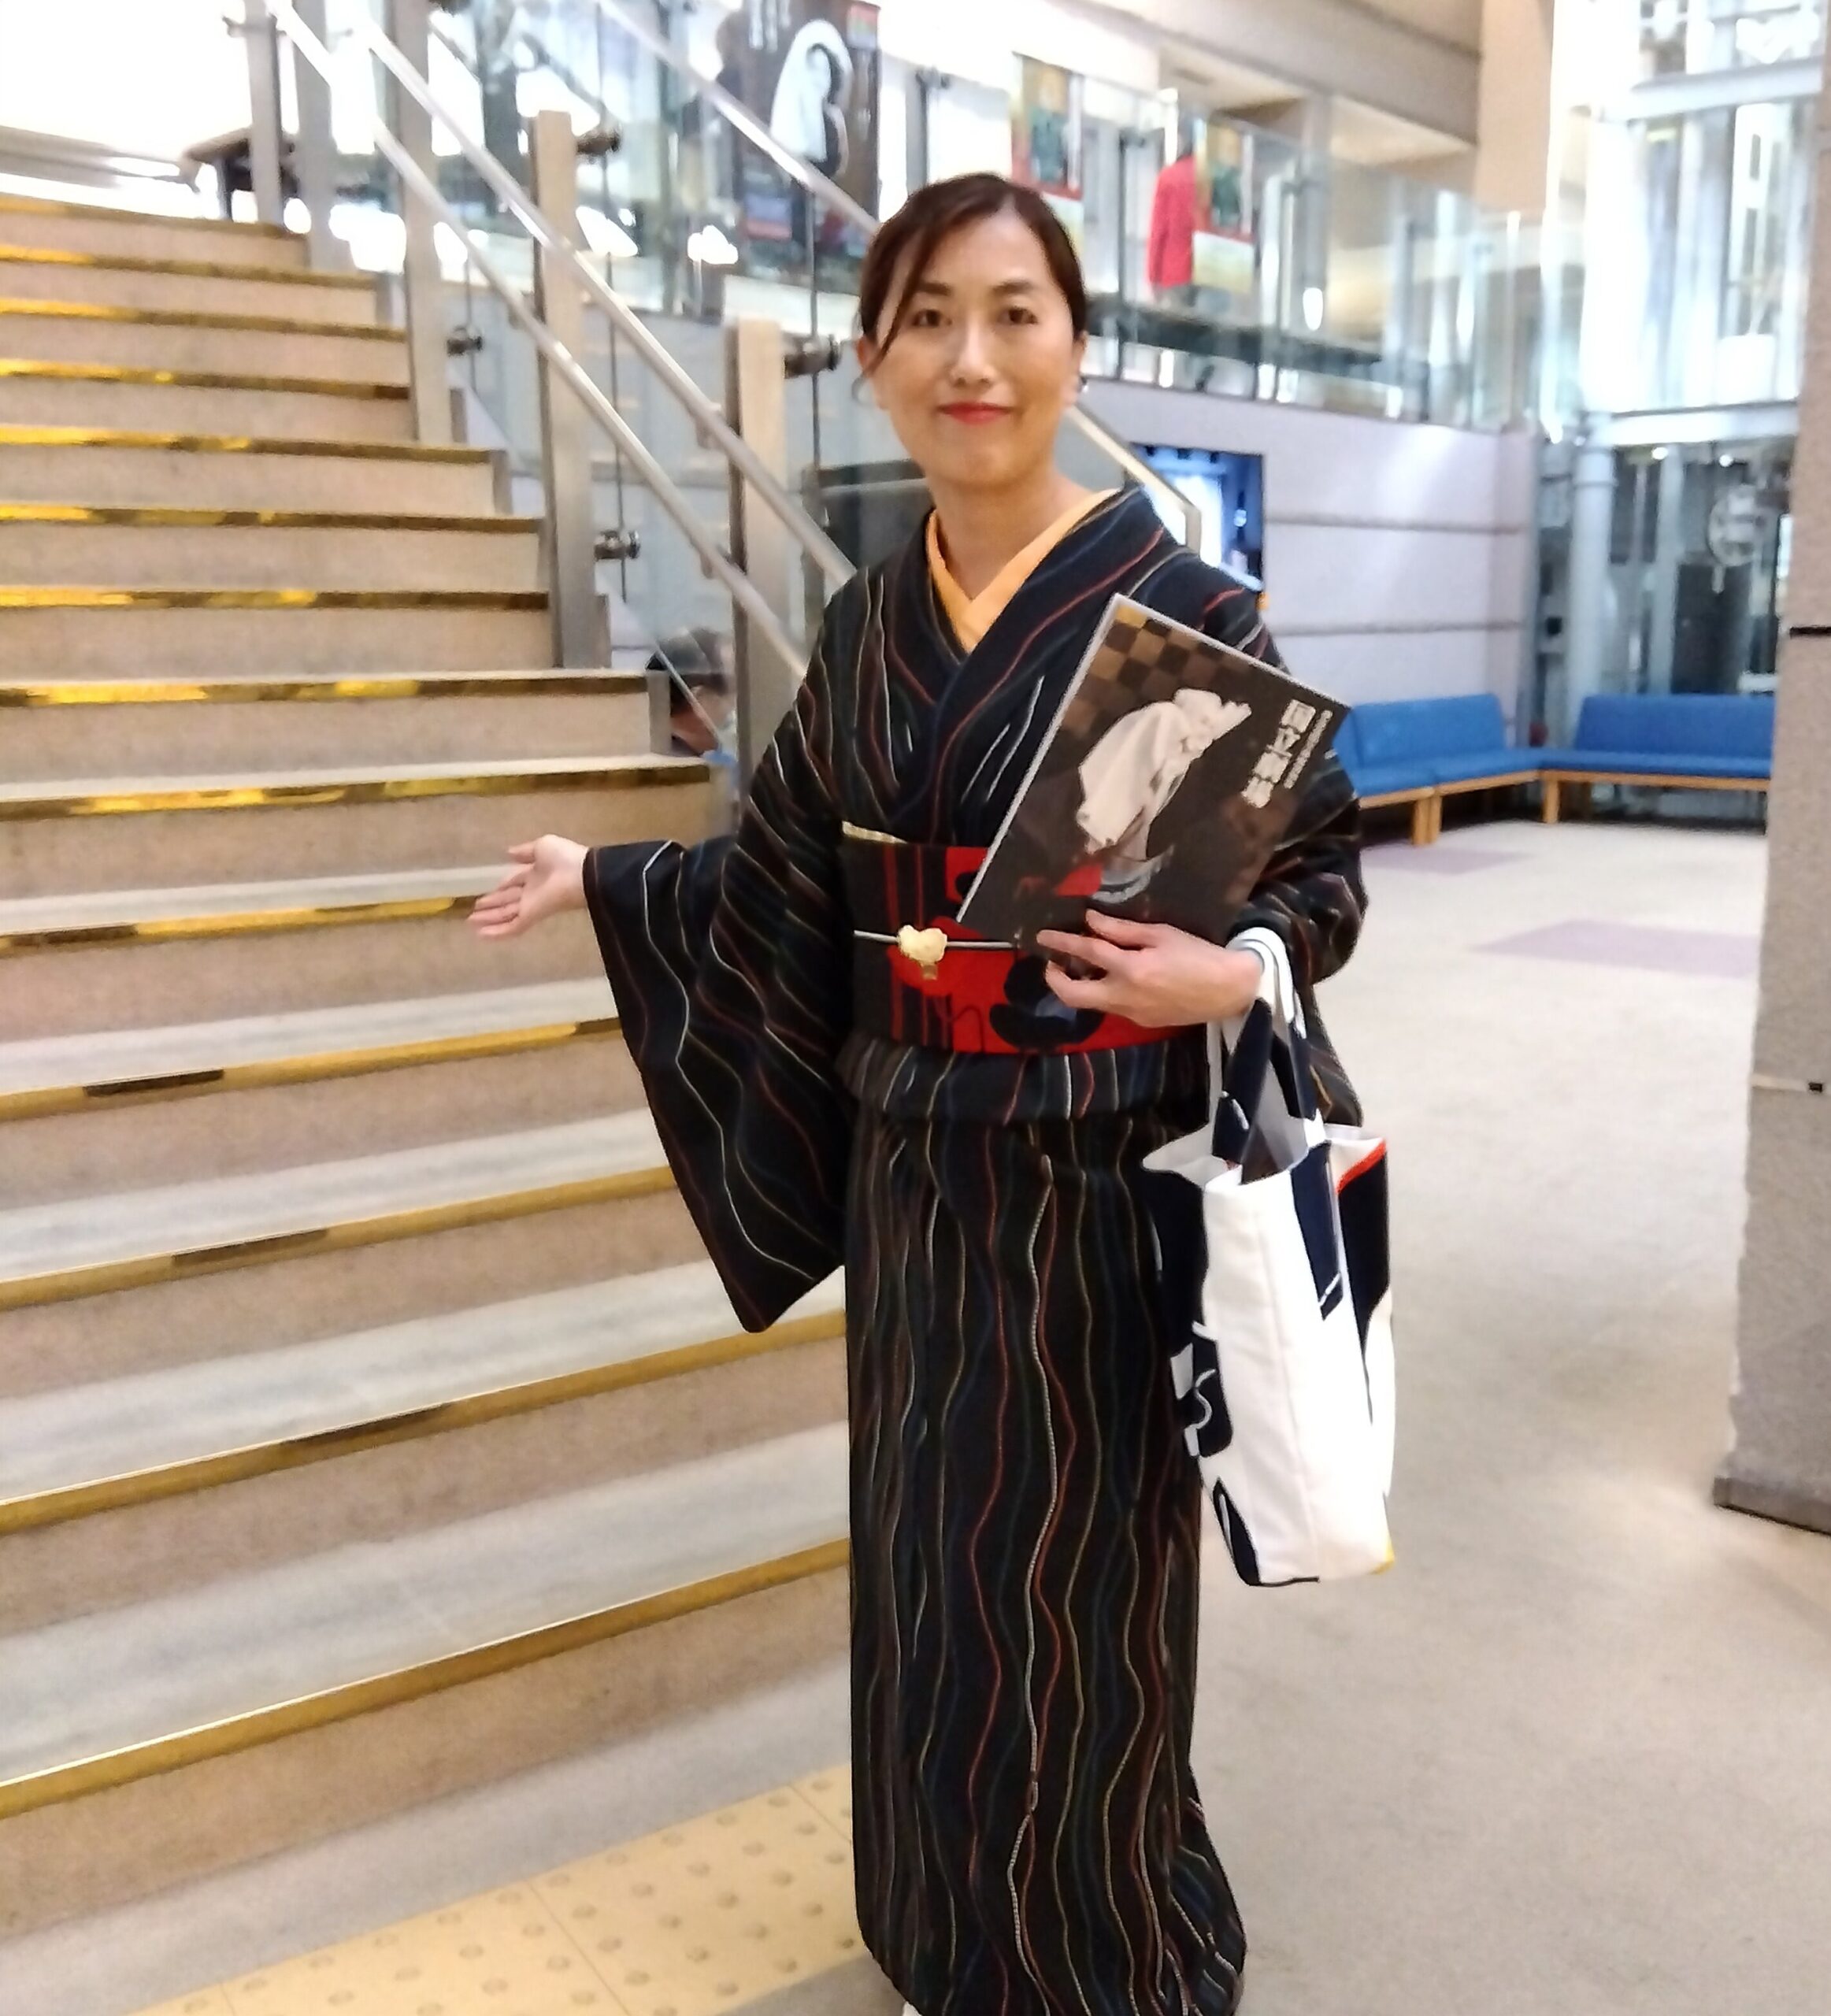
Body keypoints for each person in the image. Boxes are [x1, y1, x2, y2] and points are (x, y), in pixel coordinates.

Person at [470, 171, 1365, 2016]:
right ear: (873, 359)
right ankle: (948, 1927)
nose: (973, 358)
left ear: (1074, 347)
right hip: (912, 1176)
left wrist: (1234, 970)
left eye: (1013, 314)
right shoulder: (871, 620)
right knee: (928, 1572)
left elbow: (1318, 873)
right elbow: (784, 872)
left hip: (1097, 1171)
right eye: (927, 318)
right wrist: (606, 876)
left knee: (1078, 1578)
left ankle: (1101, 1947)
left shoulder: (1187, 611)